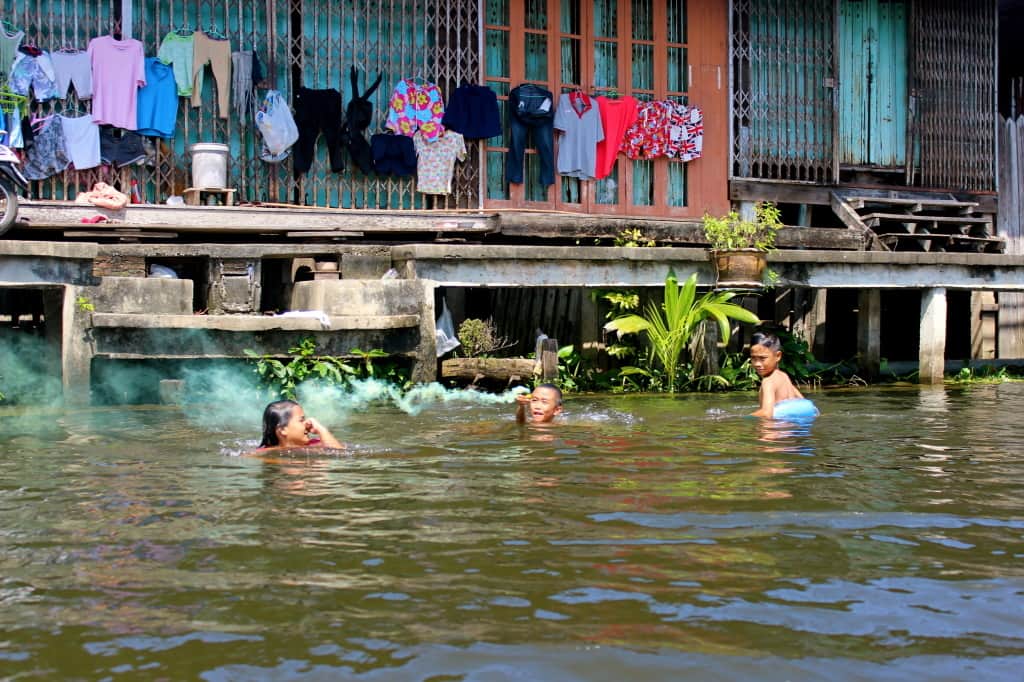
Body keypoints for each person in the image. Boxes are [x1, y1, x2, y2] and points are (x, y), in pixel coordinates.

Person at [749, 331, 819, 419]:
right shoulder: (784, 376)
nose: (757, 364)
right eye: (753, 358)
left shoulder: (768, 381)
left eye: (762, 358)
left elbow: (767, 413)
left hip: (775, 429)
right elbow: (804, 402)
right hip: (792, 428)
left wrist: (743, 418)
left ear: (778, 356)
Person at [257, 399, 344, 450]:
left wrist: (321, 429)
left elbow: (339, 453)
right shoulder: (267, 454)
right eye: (301, 420)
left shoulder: (315, 444)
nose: (307, 423)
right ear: (283, 430)